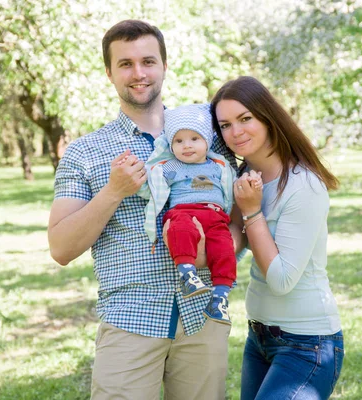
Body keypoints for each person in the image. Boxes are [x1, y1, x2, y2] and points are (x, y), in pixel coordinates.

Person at [48, 20, 239, 400]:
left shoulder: (209, 139)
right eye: (125, 64)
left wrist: (219, 249)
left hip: (204, 316)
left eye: (148, 61)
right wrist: (113, 192)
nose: (139, 73)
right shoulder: (85, 152)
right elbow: (61, 248)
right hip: (130, 321)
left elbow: (237, 216)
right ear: (109, 73)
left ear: (164, 67)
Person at [211, 76, 345, 400]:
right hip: (258, 337)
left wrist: (252, 212)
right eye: (225, 125)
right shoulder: (242, 178)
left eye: (245, 119)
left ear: (268, 118)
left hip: (307, 344)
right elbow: (233, 245)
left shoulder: (303, 184)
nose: (236, 132)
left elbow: (282, 278)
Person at [138, 103, 244, 325]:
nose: (186, 146)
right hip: (183, 212)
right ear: (170, 143)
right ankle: (187, 275)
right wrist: (134, 180)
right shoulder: (170, 166)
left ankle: (219, 298)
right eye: (179, 140)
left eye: (194, 139)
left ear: (207, 140)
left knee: (224, 249)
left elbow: (233, 188)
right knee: (180, 230)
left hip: (215, 218)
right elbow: (150, 189)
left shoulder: (219, 166)